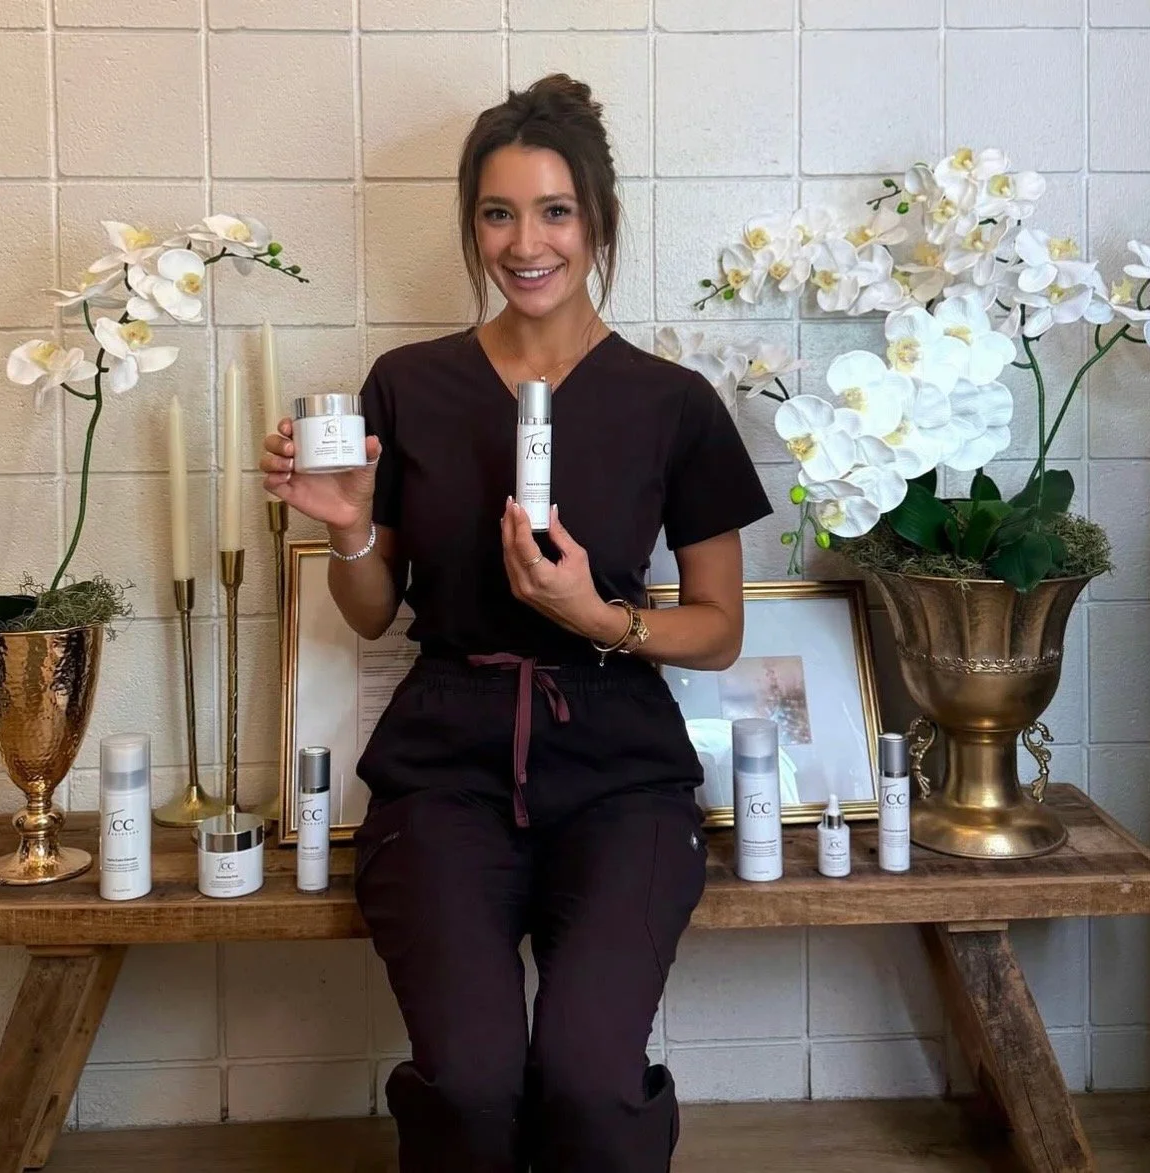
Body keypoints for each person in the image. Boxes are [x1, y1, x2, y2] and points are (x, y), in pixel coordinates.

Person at [261, 74, 772, 1173]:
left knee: (587, 1080)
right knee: (470, 1081)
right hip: (445, 767)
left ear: (598, 221)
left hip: (622, 770)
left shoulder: (672, 402)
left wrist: (599, 616)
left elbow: (719, 628)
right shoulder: (408, 385)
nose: (524, 243)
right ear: (471, 224)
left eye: (554, 212)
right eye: (497, 213)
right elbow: (371, 613)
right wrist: (346, 529)